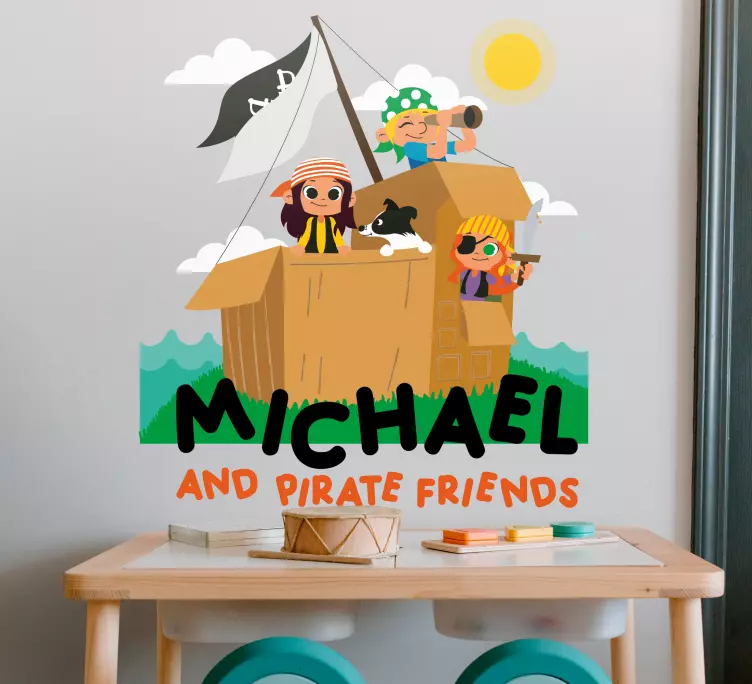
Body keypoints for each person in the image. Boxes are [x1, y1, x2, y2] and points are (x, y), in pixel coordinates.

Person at [374, 87, 477, 169]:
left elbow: (469, 144)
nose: (420, 125)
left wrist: (464, 124)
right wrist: (443, 126)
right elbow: (438, 152)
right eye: (406, 123)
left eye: (426, 119)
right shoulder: (409, 148)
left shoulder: (435, 145)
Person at [271, 158, 356, 254]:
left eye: (334, 193)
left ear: (350, 199)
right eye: (311, 192)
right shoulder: (310, 221)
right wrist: (300, 246)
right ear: (290, 197)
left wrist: (341, 246)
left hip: (330, 250)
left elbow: (336, 235)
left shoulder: (332, 222)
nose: (322, 199)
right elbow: (306, 235)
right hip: (311, 250)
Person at [448, 215, 532, 300]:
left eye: (490, 249)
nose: (477, 252)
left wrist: (517, 276)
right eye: (467, 245)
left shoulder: (486, 276)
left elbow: (501, 283)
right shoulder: (465, 272)